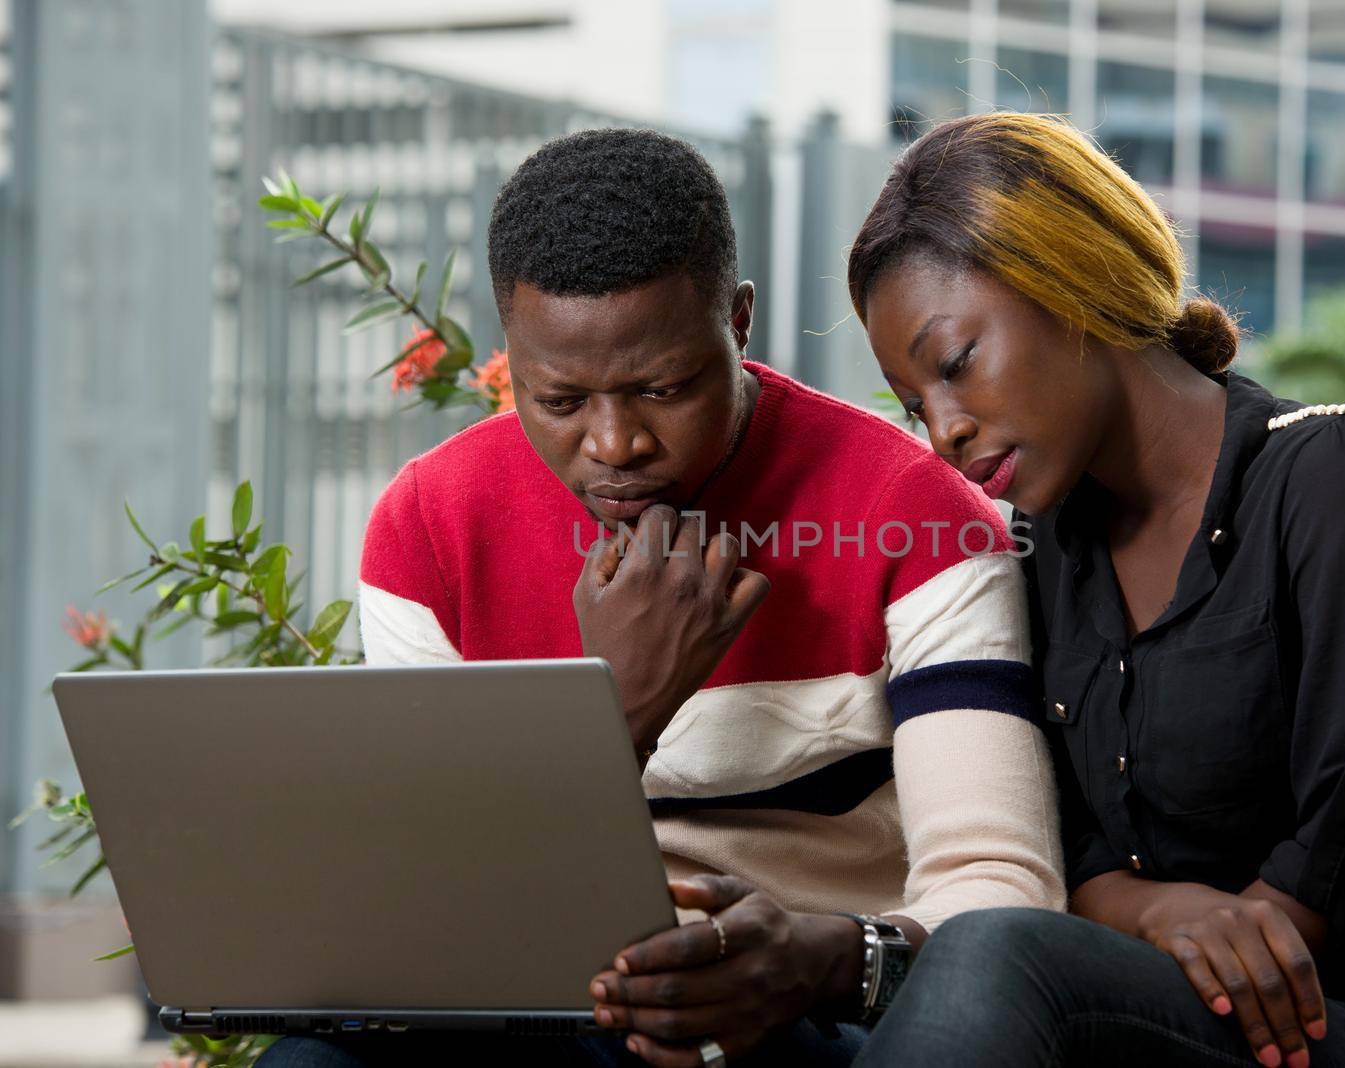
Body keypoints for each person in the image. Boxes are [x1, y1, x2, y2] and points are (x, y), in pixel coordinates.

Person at [257, 127, 1064, 1068]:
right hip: (547, 1007)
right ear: (509, 353)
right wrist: (614, 707)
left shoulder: (913, 514)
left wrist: (817, 961)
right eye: (558, 400)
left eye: (664, 387)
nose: (616, 444)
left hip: (803, 1007)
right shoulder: (432, 526)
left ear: (740, 321)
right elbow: (436, 898)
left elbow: (998, 895)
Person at [844, 112, 1345, 1068]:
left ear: (1073, 282)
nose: (943, 432)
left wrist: (1151, 928)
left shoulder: (1336, 478)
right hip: (1173, 1016)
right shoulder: (1038, 548)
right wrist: (1159, 908)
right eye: (915, 405)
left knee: (991, 958)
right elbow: (1067, 851)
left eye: (957, 364)